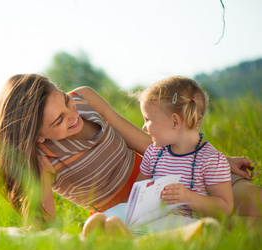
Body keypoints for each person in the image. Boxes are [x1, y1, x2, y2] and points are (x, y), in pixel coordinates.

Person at [0, 74, 260, 229]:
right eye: (59, 120)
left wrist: (219, 161)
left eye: (66, 102)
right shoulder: (39, 155)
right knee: (219, 228)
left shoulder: (84, 98)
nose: (72, 115)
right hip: (129, 211)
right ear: (37, 135)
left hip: (166, 170)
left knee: (248, 199)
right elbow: (43, 226)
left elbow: (144, 141)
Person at [83, 76, 235, 237]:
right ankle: (104, 231)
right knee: (116, 214)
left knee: (201, 229)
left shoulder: (210, 160)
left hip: (185, 224)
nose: (144, 126)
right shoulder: (154, 153)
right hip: (153, 218)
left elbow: (225, 208)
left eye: (148, 119)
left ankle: (124, 239)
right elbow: (138, 193)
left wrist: (188, 196)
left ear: (175, 122)